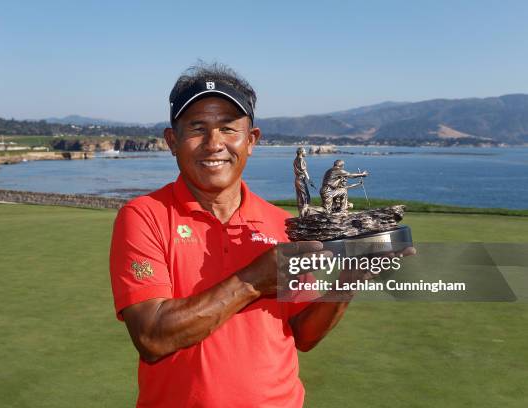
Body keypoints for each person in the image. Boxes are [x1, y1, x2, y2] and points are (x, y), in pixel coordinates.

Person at [109, 63, 413, 407]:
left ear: (251, 141)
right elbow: (152, 337)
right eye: (197, 128)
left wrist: (349, 280)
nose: (214, 143)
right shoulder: (143, 216)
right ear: (172, 141)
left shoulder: (280, 223)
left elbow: (303, 333)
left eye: (228, 128)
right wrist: (253, 280)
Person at [293, 147, 316, 217]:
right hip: (301, 180)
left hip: (297, 180)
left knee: (300, 196)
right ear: (301, 152)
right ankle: (304, 214)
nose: (305, 153)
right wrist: (309, 180)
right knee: (306, 197)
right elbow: (304, 171)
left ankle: (301, 213)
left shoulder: (295, 160)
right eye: (304, 151)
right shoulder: (301, 160)